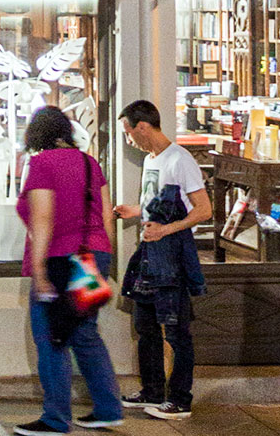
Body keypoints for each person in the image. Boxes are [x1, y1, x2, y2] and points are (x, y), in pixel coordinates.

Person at [14, 106, 122, 436]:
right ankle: (108, 409)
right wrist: (104, 262)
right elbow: (106, 217)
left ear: (36, 134)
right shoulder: (90, 163)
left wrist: (40, 270)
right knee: (85, 334)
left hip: (60, 258)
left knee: (51, 337)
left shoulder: (43, 164)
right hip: (93, 255)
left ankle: (55, 418)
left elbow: (43, 219)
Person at [113, 99, 211, 421]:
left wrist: (165, 229)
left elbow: (203, 210)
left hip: (172, 255)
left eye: (128, 133)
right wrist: (136, 211)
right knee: (145, 325)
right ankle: (152, 390)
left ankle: (180, 400)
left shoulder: (180, 160)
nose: (128, 140)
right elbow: (159, 203)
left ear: (142, 127)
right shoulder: (151, 160)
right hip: (149, 253)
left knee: (177, 331)